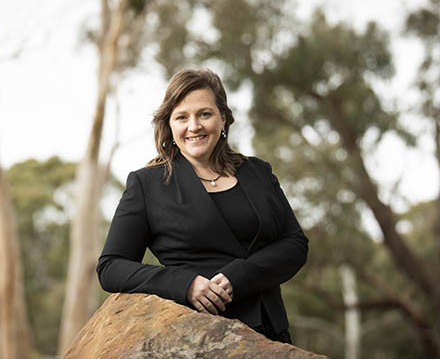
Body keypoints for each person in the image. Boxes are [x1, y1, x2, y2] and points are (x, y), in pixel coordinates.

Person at [96, 67, 308, 344]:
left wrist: (239, 275)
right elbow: (111, 267)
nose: (193, 126)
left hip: (270, 332)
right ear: (169, 124)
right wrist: (185, 284)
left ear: (222, 118)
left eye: (204, 114)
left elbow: (295, 244)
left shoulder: (257, 171)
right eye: (182, 117)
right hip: (196, 336)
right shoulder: (147, 184)